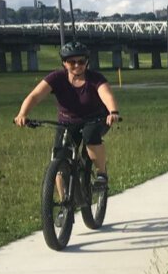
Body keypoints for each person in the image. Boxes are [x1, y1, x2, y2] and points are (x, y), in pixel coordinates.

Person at [14, 42, 120, 187]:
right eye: (71, 62)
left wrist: (113, 112)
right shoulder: (56, 78)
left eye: (81, 61)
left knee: (90, 137)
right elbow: (35, 96)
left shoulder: (95, 78)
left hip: (95, 119)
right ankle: (64, 205)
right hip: (67, 122)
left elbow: (107, 95)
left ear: (87, 62)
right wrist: (22, 114)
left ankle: (101, 174)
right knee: (59, 161)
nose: (77, 65)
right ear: (64, 63)